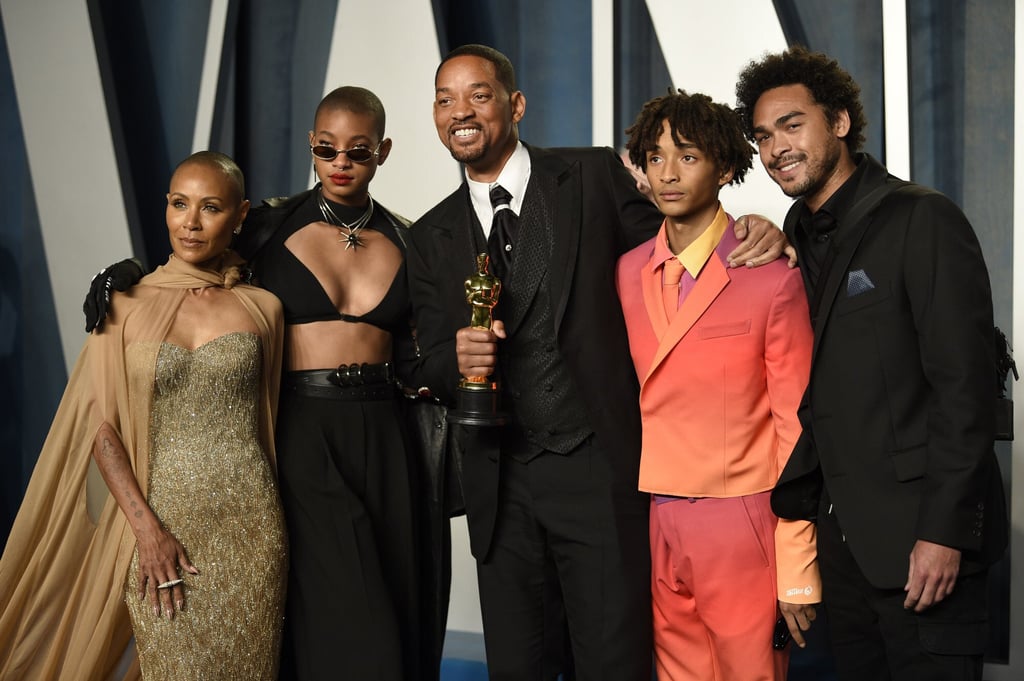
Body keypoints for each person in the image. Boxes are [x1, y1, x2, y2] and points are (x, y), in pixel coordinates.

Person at [405, 43, 789, 680]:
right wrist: (455, 359)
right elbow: (427, 363)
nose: (460, 111)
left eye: (478, 94)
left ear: (516, 104)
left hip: (598, 467)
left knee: (614, 663)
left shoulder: (590, 176)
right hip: (501, 485)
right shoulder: (430, 234)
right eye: (445, 99)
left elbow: (680, 240)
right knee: (517, 668)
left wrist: (758, 228)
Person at [81, 87, 435, 681]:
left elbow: (429, 344)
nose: (341, 162)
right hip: (303, 427)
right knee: (347, 612)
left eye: (359, 152)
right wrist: (128, 271)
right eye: (327, 149)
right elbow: (194, 248)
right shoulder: (268, 223)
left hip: (387, 430)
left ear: (384, 152)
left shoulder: (410, 239)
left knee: (399, 605)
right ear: (311, 147)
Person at [735, 46, 1008, 681]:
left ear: (839, 122)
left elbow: (964, 393)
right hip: (847, 552)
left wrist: (944, 535)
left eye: (792, 125)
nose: (776, 148)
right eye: (763, 136)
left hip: (925, 546)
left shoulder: (922, 218)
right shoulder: (796, 232)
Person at [0, 151, 286, 680]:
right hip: (157, 526)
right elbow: (101, 430)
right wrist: (147, 531)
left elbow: (271, 418)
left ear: (240, 214)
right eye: (179, 204)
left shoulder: (263, 307)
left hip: (251, 528)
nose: (191, 222)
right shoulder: (123, 303)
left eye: (211, 207)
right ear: (165, 208)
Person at [615, 89, 820, 681]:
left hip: (744, 519)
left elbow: (796, 430)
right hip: (657, 511)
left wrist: (798, 565)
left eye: (688, 156)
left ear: (725, 167)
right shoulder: (627, 272)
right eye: (655, 158)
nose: (669, 173)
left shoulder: (771, 275)